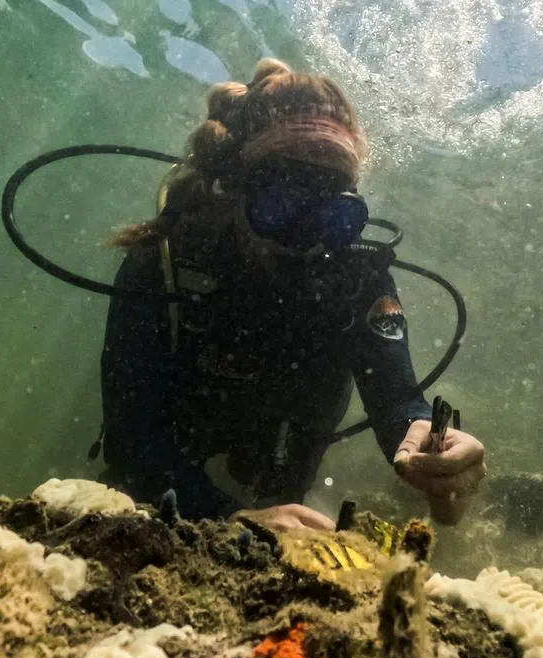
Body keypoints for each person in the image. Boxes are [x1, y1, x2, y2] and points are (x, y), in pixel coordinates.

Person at [98, 58, 486, 531]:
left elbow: (397, 401)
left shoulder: (357, 276)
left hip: (282, 457)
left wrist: (430, 443)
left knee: (280, 492)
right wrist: (228, 516)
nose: (309, 242)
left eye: (334, 218)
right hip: (169, 454)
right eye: (280, 206)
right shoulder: (164, 263)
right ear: (233, 188)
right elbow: (130, 439)